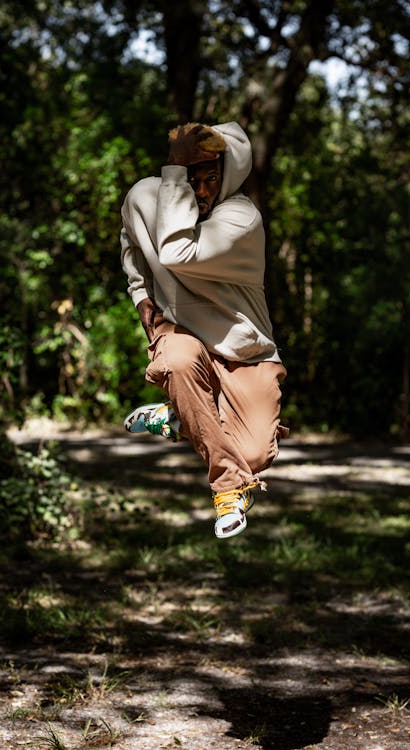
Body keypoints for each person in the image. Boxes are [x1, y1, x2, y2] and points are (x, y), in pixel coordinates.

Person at [120, 121, 288, 539]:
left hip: (243, 349)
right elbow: (131, 240)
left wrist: (177, 169)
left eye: (210, 177)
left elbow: (177, 252)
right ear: (172, 173)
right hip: (182, 335)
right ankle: (228, 490)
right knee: (177, 361)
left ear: (227, 174)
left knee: (255, 452)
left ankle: (181, 417)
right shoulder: (144, 197)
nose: (200, 190)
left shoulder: (241, 218)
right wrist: (141, 293)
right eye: (189, 178)